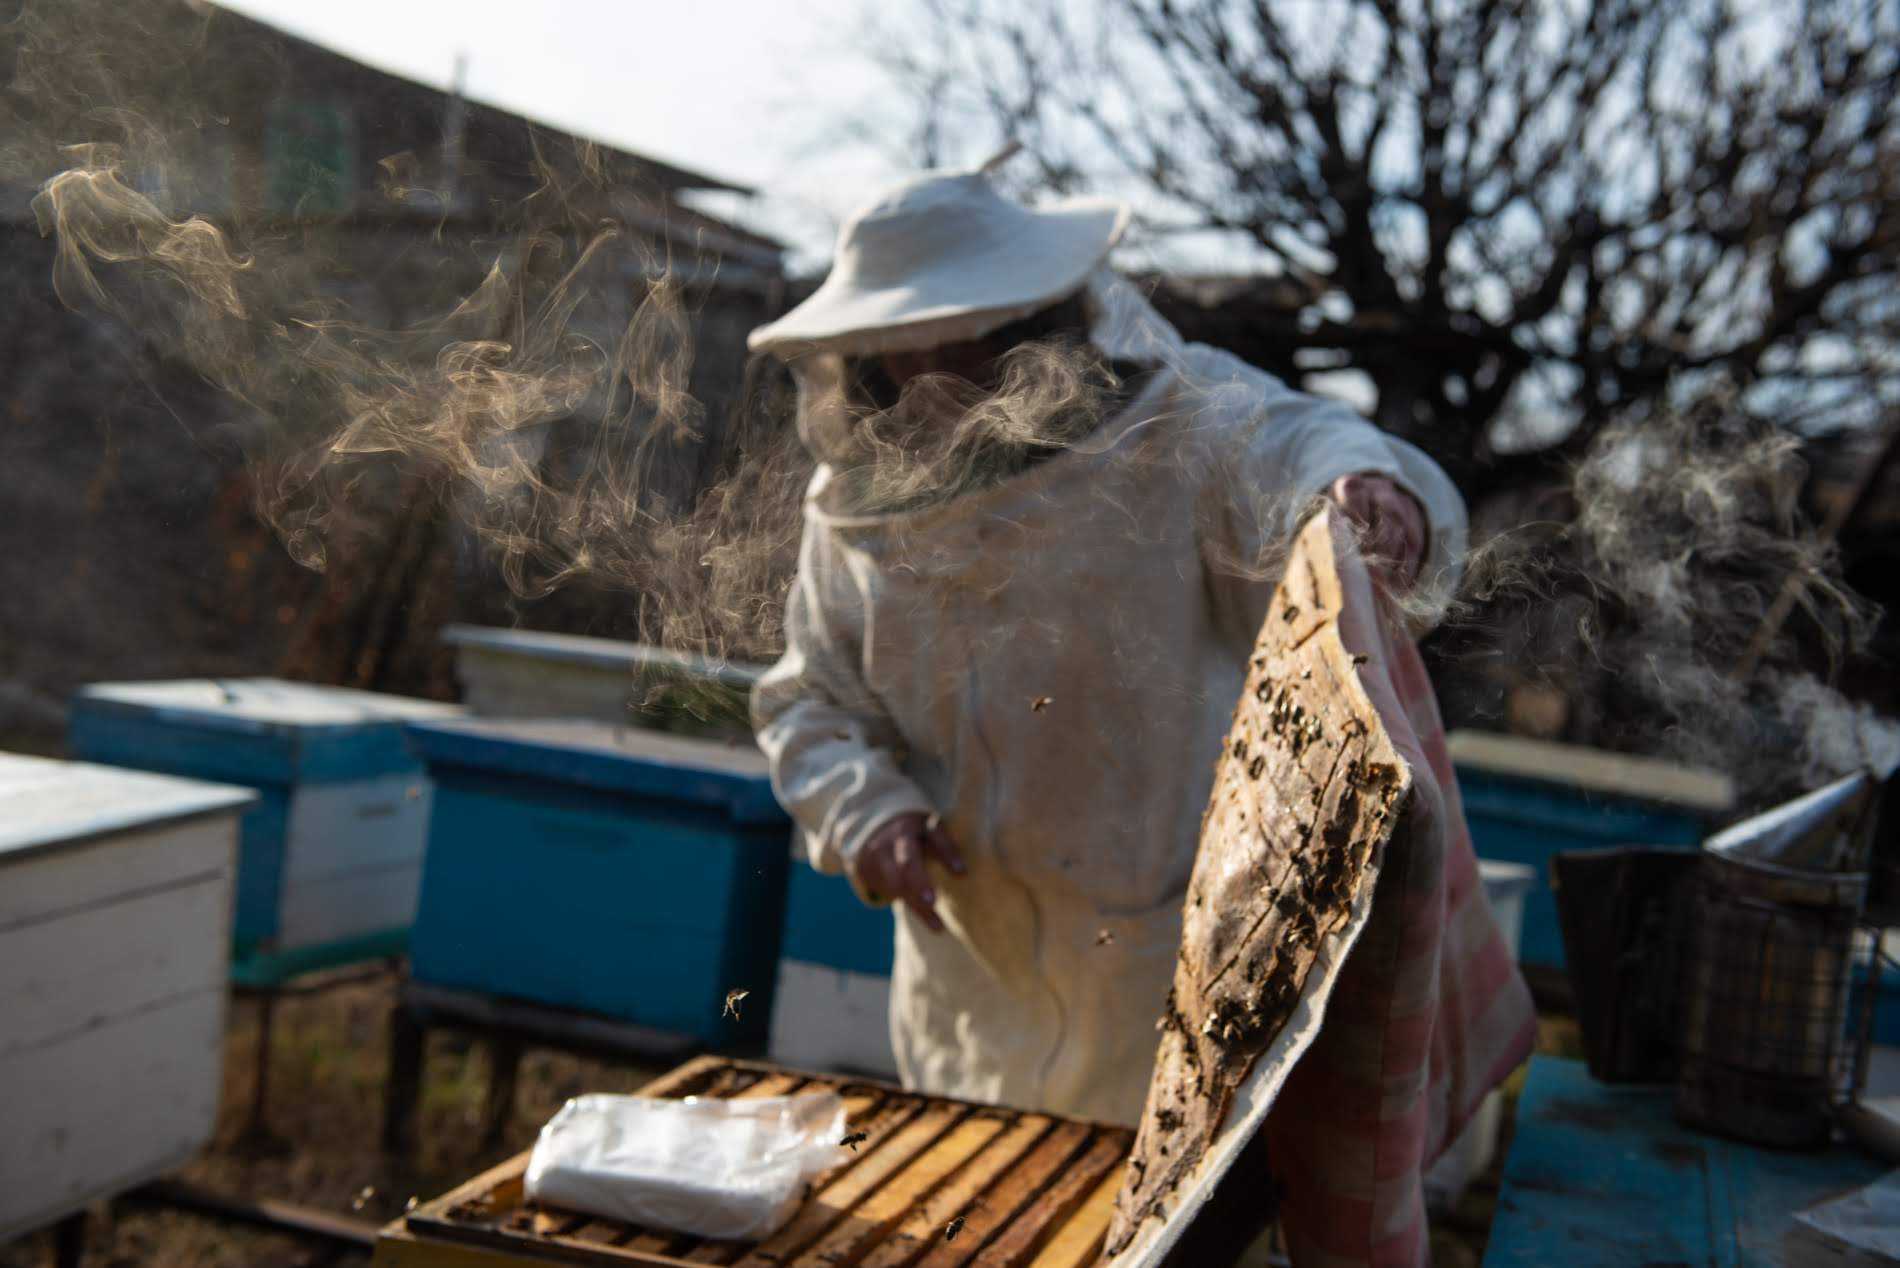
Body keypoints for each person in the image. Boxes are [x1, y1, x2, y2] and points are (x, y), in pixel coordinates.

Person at [748, 163, 1470, 1127]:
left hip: (1175, 984)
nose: (942, 380)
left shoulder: (1178, 424)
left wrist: (1365, 489)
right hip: (965, 987)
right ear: (865, 359)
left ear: (1033, 322)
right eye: (906, 354)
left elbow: (1302, 440)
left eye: (972, 341)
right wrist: (865, 811)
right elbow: (810, 702)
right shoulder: (853, 511)